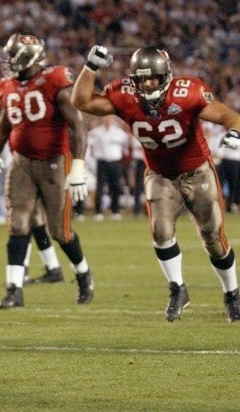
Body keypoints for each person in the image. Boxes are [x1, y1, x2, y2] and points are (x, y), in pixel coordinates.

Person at [71, 45, 240, 322]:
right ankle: (177, 289)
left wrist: (234, 132)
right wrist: (90, 67)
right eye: (142, 78)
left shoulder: (188, 93)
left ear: (166, 76)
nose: (148, 84)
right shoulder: (124, 95)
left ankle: (232, 293)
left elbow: (228, 116)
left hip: (197, 171)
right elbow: (81, 102)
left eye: (153, 77)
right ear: (133, 79)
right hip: (160, 173)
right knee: (160, 231)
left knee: (213, 238)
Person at [0, 34, 94, 308]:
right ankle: (14, 289)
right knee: (18, 223)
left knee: (60, 231)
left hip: (54, 162)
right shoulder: (8, 86)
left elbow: (77, 124)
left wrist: (79, 164)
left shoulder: (54, 80)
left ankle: (83, 274)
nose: (8, 62)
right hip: (21, 162)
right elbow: (3, 130)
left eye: (13, 57)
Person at [0, 67, 64, 284]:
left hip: (28, 159)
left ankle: (31, 268)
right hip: (17, 155)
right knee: (31, 217)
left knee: (25, 217)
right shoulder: (6, 89)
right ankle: (51, 267)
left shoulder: (24, 89)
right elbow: (1, 123)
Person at [88, 115, 130, 221]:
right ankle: (98, 211)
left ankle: (115, 210)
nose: (107, 121)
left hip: (114, 161)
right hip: (101, 161)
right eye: (105, 119)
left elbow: (126, 144)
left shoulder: (119, 132)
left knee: (115, 186)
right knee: (100, 186)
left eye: (109, 119)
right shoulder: (96, 132)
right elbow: (90, 144)